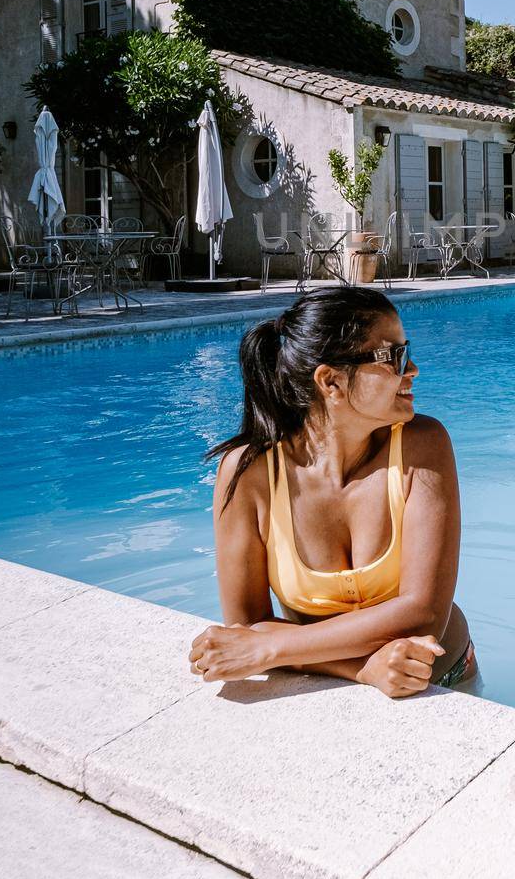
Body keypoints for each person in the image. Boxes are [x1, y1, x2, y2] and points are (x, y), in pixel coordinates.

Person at [189, 285, 476, 697]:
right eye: (393, 356)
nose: (412, 369)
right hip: (338, 679)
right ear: (331, 381)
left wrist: (272, 647)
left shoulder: (423, 445)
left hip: (444, 681)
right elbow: (245, 626)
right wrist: (363, 670)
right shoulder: (250, 473)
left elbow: (424, 614)